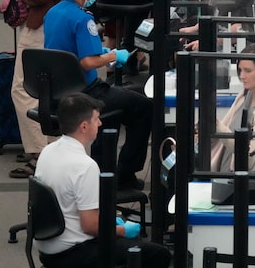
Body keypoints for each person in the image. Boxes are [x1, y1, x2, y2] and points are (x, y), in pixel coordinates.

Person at [44, 0, 153, 190]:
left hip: (58, 91)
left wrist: (101, 52)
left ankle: (103, 171)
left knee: (116, 108)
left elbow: (66, 49)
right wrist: (113, 54)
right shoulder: (83, 19)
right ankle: (125, 175)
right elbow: (88, 61)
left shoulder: (53, 13)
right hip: (86, 91)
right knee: (144, 107)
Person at [34, 92, 171, 268]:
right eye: (96, 119)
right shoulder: (85, 166)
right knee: (159, 255)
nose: (99, 123)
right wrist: (122, 231)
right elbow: (90, 226)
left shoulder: (48, 151)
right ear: (84, 126)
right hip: (72, 253)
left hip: (48, 247)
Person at [8, 0, 71, 179]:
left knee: (23, 88)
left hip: (40, 24)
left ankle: (39, 152)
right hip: (51, 21)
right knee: (43, 89)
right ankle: (46, 148)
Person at [210, 42, 255, 171]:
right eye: (240, 70)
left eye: (248, 71)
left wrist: (217, 126)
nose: (242, 76)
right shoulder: (245, 95)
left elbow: (250, 154)